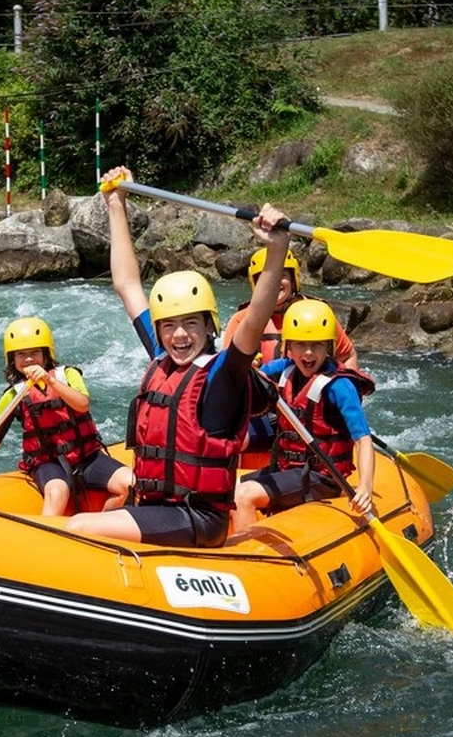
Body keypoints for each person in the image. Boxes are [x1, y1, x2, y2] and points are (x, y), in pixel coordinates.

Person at [64, 167, 294, 548]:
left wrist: (276, 247)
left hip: (198, 518)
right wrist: (115, 204)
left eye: (191, 323)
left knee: (79, 529)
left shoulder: (223, 375)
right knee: (92, 522)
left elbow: (255, 318)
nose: (180, 335)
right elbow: (126, 284)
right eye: (169, 326)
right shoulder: (162, 358)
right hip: (157, 507)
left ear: (209, 327)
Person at [0, 315, 132, 516]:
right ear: (12, 359)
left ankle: (99, 526)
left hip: (87, 457)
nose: (28, 359)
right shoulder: (12, 395)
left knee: (130, 484)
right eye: (21, 354)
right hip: (48, 463)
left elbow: (82, 405)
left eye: (35, 352)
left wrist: (50, 380)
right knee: (57, 491)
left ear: (46, 354)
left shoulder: (68, 375)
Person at [230, 298, 376, 533]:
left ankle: (250, 559)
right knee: (226, 487)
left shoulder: (340, 387)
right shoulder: (285, 369)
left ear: (329, 346)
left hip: (322, 477)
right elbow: (247, 378)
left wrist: (365, 487)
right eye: (300, 344)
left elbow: (363, 439)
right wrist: (247, 367)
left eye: (317, 345)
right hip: (288, 468)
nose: (308, 353)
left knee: (243, 495)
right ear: (289, 345)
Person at [221, 246, 358, 460]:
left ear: (294, 279)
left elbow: (347, 355)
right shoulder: (242, 321)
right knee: (234, 433)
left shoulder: (316, 314)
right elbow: (226, 378)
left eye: (282, 276)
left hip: (313, 411)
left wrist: (347, 402)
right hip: (265, 412)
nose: (275, 282)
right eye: (266, 277)